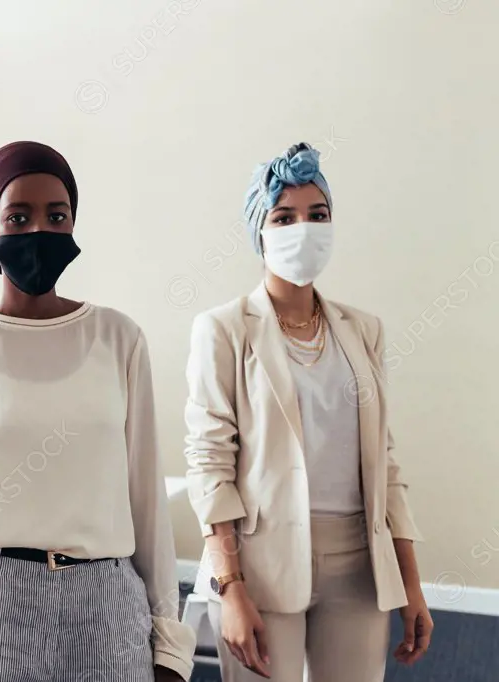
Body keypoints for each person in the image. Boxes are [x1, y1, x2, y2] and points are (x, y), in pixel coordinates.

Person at [0, 141, 196, 682]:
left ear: (73, 226)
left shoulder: (119, 338)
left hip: (104, 605)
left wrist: (168, 643)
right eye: (18, 216)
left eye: (56, 216)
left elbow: (145, 498)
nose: (39, 229)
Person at [183, 142, 432, 681]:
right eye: (284, 216)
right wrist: (231, 588)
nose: (304, 228)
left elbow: (386, 466)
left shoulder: (363, 331)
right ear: (260, 232)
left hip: (359, 567)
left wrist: (409, 583)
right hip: (258, 564)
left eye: (317, 215)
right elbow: (209, 465)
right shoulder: (223, 329)